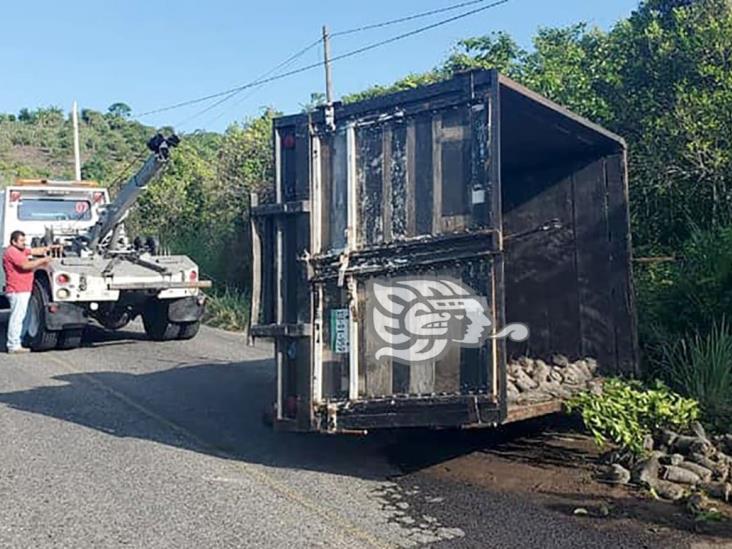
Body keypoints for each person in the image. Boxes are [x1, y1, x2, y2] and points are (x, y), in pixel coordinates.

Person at [3, 231, 53, 353]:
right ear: (14, 241)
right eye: (21, 241)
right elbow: (25, 265)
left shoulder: (20, 250)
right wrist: (43, 261)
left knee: (24, 316)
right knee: (17, 318)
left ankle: (19, 341)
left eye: (24, 240)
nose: (24, 243)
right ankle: (13, 345)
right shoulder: (12, 252)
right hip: (17, 289)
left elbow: (34, 251)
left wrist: (48, 248)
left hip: (23, 289)